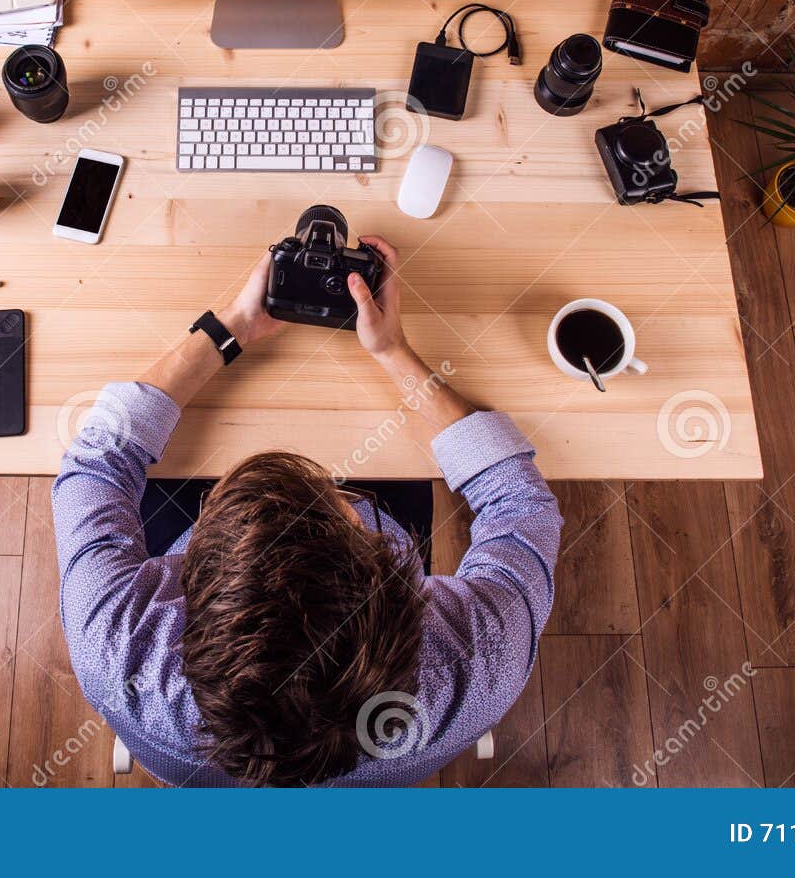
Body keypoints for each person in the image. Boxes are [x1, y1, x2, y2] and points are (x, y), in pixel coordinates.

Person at [51, 236, 561, 786]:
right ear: (388, 582)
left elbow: (95, 466)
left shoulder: (119, 648)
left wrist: (231, 329)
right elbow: (518, 499)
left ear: (192, 580)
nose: (338, 490)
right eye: (348, 510)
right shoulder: (474, 665)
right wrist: (394, 352)